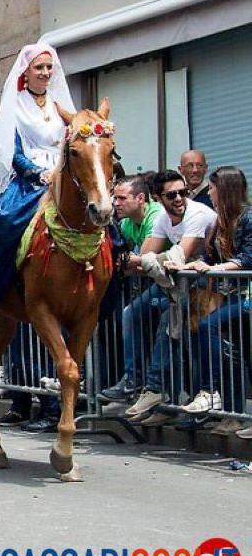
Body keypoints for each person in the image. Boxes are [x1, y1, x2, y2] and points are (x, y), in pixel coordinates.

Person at [0, 44, 75, 317]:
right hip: (30, 181)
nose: (45, 73)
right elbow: (13, 151)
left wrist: (63, 170)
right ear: (26, 72)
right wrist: (39, 173)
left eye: (48, 67)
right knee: (3, 221)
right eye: (38, 67)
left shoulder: (60, 106)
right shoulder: (16, 105)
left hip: (64, 176)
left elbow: (71, 143)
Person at [122, 170, 217, 423]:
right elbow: (142, 257)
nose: (179, 199)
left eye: (183, 192)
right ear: (158, 197)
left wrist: (148, 260)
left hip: (204, 282)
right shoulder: (164, 218)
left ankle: (156, 389)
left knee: (169, 320)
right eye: (172, 194)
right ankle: (135, 382)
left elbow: (179, 256)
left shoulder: (196, 213)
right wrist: (148, 260)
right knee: (132, 313)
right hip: (177, 282)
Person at [167, 166, 251, 436]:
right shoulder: (218, 222)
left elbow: (248, 258)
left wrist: (219, 268)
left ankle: (210, 389)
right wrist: (192, 265)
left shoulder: (248, 218)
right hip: (227, 296)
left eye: (213, 188)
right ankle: (235, 414)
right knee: (232, 354)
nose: (209, 192)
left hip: (246, 297)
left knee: (209, 327)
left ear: (225, 190)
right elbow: (210, 258)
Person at [100, 175, 164, 402]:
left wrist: (131, 263)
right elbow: (125, 262)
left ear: (140, 198)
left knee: (132, 315)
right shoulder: (126, 223)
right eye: (114, 198)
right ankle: (137, 382)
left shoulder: (156, 215)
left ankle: (137, 382)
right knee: (131, 317)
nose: (115, 203)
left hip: (176, 284)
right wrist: (130, 263)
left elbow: (141, 259)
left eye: (121, 198)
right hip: (157, 283)